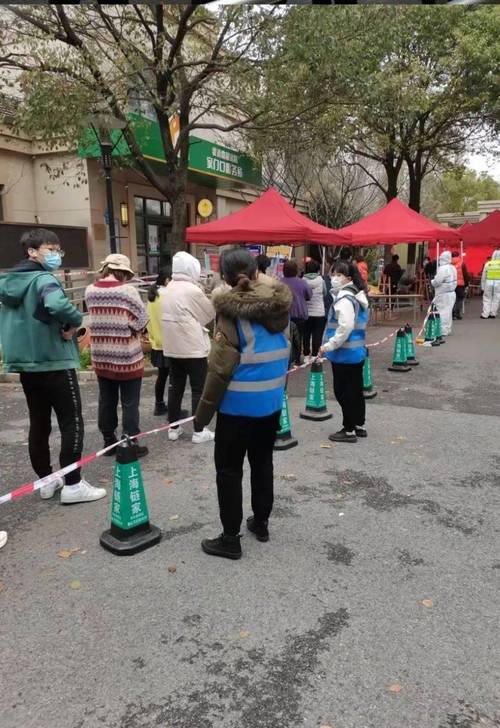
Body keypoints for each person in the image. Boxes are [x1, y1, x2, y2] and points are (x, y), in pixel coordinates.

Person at [195, 249, 292, 559]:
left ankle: (230, 539)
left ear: (225, 278)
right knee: (263, 464)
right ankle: (261, 523)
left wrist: (201, 416)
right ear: (255, 272)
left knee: (229, 471)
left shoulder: (230, 314)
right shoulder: (281, 306)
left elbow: (219, 370)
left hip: (236, 408)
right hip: (270, 404)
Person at [0, 229, 106, 503]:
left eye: (58, 250)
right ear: (32, 251)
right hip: (55, 361)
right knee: (72, 421)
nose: (56, 255)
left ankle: (46, 480)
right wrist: (75, 321)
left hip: (27, 365)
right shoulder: (44, 279)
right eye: (50, 249)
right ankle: (73, 484)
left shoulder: (9, 282)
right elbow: (57, 305)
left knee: (39, 423)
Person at [85, 254, 149, 457]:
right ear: (123, 272)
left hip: (101, 355)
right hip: (127, 357)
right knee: (130, 402)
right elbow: (142, 320)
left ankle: (108, 440)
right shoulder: (127, 291)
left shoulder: (90, 290)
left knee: (106, 400)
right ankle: (129, 443)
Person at [161, 251, 215, 444]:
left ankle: (173, 428)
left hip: (172, 346)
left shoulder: (168, 288)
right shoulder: (192, 290)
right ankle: (199, 430)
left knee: (175, 387)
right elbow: (209, 314)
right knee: (198, 389)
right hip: (192, 348)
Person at [319, 260, 369, 443]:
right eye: (333, 274)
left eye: (338, 275)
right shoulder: (357, 295)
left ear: (348, 278)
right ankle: (358, 424)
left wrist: (328, 345)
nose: (334, 278)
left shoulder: (344, 299)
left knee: (343, 391)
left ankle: (349, 429)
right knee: (355, 390)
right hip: (356, 352)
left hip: (344, 354)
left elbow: (345, 327)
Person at [147, 268, 171, 416]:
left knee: (162, 376)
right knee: (175, 379)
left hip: (157, 343)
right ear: (167, 280)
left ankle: (159, 404)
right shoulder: (167, 295)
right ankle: (173, 410)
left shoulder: (153, 296)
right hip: (170, 343)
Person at [282, 259, 312, 365]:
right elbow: (309, 295)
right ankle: (297, 358)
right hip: (300, 314)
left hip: (284, 315)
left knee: (285, 337)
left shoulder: (279, 282)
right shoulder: (302, 282)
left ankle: (287, 357)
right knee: (299, 337)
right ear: (296, 270)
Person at [303, 259, 326, 359]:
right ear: (318, 270)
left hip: (306, 312)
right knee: (317, 334)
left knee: (306, 334)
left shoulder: (303, 281)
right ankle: (314, 355)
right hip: (319, 312)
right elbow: (325, 293)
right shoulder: (321, 280)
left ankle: (306, 355)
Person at [431, 251, 457, 336]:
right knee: (448, 312)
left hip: (443, 294)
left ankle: (442, 330)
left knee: (442, 312)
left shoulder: (442, 268)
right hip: (452, 293)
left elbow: (437, 281)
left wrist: (432, 282)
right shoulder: (453, 267)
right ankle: (447, 329)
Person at [480, 249, 500, 319]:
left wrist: (482, 286)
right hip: (498, 283)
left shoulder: (488, 263)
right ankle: (493, 313)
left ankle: (485, 314)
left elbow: (483, 276)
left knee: (487, 298)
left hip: (488, 282)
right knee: (496, 298)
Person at [451, 251, 470, 320]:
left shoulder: (449, 263)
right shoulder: (462, 263)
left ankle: (452, 314)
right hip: (460, 284)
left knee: (452, 299)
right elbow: (465, 274)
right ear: (458, 255)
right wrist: (466, 283)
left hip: (451, 284)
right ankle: (457, 313)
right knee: (460, 299)